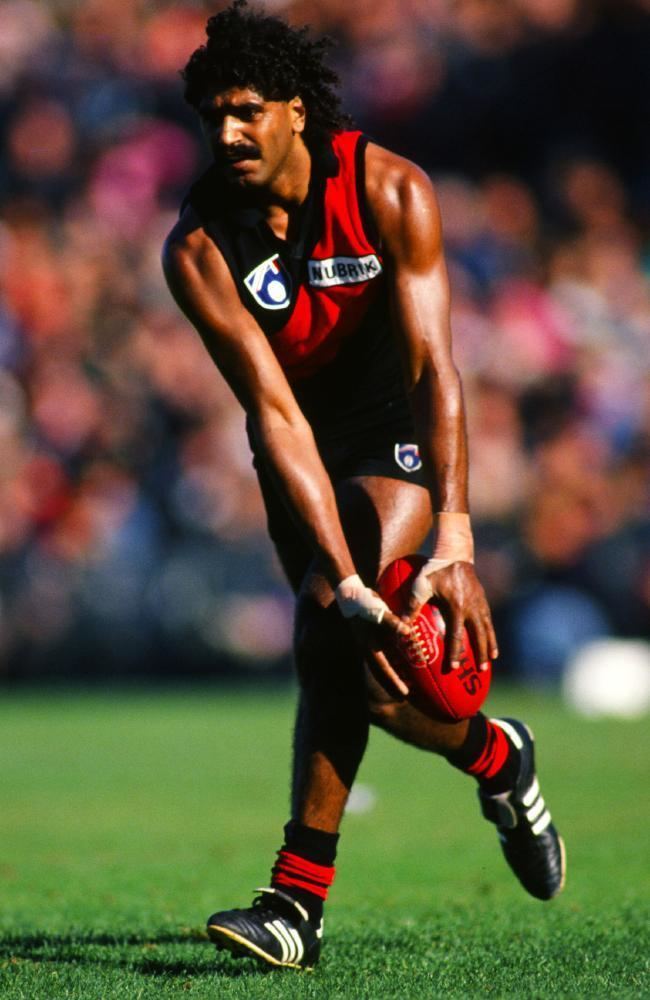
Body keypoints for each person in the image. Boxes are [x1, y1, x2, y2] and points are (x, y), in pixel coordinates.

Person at [162, 0, 565, 971]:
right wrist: (338, 574)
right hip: (299, 448)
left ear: (297, 109)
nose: (227, 133)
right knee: (368, 677)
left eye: (247, 111)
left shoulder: (390, 189)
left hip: (397, 436)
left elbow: (435, 369)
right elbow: (273, 411)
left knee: (320, 626)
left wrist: (455, 538)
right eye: (212, 114)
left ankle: (294, 903)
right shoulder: (197, 248)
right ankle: (496, 756)